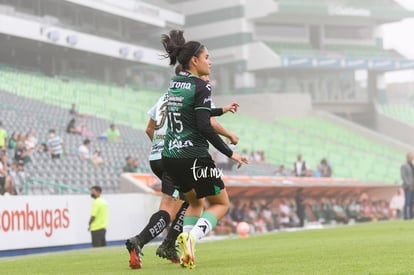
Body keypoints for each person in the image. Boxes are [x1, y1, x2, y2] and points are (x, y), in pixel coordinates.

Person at [125, 65, 240, 269]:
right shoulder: (194, 90)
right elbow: (208, 122)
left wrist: (160, 148)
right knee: (173, 207)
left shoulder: (166, 96)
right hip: (180, 154)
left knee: (189, 199)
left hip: (158, 156)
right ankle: (144, 241)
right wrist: (229, 135)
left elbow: (148, 128)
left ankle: (170, 244)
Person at [151, 30, 247, 269]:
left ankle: (185, 249)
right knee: (222, 203)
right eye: (207, 57)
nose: (210, 61)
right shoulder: (202, 87)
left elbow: (193, 112)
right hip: (193, 157)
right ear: (194, 60)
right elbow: (203, 126)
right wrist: (229, 152)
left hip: (170, 157)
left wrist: (220, 110)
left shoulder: (175, 83)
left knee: (195, 203)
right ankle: (192, 238)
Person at [401, 152, 414, 219]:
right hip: (407, 186)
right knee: (407, 201)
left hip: (413, 186)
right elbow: (403, 176)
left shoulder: (412, 165)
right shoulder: (404, 165)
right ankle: (406, 216)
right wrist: (408, 185)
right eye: (411, 157)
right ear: (408, 157)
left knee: (412, 201)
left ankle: (411, 215)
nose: (412, 158)